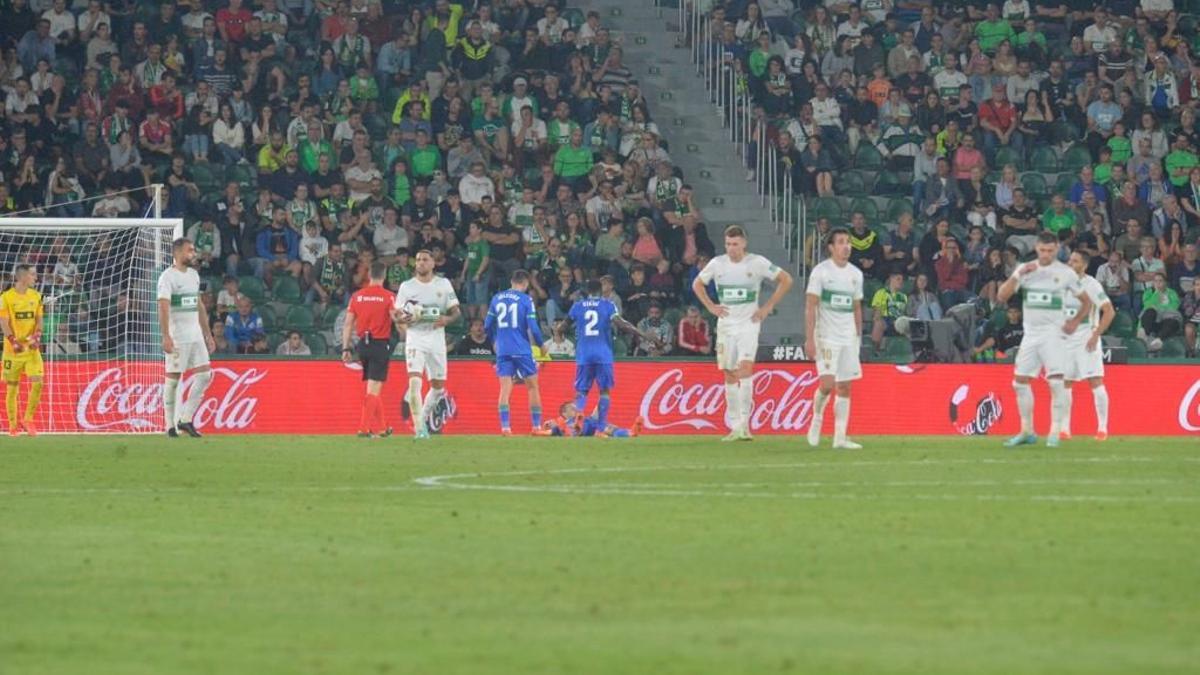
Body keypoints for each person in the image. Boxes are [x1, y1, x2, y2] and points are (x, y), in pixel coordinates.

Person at [692, 225, 794, 442]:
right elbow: (697, 284)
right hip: (726, 325)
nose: (731, 248)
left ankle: (746, 426)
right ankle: (735, 426)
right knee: (729, 372)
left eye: (735, 244)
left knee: (745, 369)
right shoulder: (717, 264)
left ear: (744, 243)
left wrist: (767, 307)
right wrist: (711, 307)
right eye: (728, 244)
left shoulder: (756, 262)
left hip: (749, 324)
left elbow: (786, 279)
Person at [996, 231, 1092, 448]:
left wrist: (1075, 321)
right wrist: (1017, 276)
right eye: (1042, 250)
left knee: (1055, 381)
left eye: (1050, 250)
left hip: (1053, 333)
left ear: (1057, 249)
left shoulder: (1066, 273)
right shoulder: (1026, 269)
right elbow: (1002, 296)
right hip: (1030, 334)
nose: (1046, 254)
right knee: (1019, 382)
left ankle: (1055, 431)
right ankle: (1026, 431)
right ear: (1037, 248)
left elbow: (1086, 302)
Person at [564, 279, 659, 432]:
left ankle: (578, 417)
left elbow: (563, 326)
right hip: (603, 354)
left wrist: (571, 331)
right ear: (600, 291)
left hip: (584, 354)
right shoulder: (608, 305)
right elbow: (621, 324)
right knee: (604, 390)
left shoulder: (577, 306)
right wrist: (643, 334)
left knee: (582, 390)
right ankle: (601, 426)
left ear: (587, 291)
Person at [804, 228, 865, 450]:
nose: (846, 246)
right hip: (826, 336)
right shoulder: (821, 272)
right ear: (831, 247)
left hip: (848, 336)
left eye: (848, 242)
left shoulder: (856, 274)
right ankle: (817, 418)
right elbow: (810, 306)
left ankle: (840, 437)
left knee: (845, 387)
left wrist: (858, 336)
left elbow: (857, 307)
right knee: (827, 384)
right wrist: (809, 339)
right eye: (841, 242)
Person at [395, 249, 461, 438]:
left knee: (438, 387)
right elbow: (398, 314)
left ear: (434, 263)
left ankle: (422, 418)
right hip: (415, 337)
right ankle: (419, 427)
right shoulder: (406, 287)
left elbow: (456, 312)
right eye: (417, 260)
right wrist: (404, 321)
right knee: (415, 382)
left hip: (436, 338)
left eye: (425, 260)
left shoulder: (443, 284)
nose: (421, 263)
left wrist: (447, 320)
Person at [156, 239, 216, 439]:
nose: (194, 254)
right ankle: (169, 425)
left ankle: (186, 419)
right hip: (178, 336)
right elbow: (163, 307)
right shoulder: (167, 277)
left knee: (206, 375)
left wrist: (207, 334)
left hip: (196, 335)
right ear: (178, 253)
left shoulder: (193, 275)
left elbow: (198, 305)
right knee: (173, 380)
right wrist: (165, 336)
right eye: (190, 251)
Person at [1061, 250, 1116, 441]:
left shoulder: (1091, 285)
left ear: (1083, 265)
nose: (1070, 263)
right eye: (1069, 260)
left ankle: (1102, 428)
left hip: (1086, 339)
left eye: (1074, 261)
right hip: (1066, 340)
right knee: (1065, 382)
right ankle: (1064, 429)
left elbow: (1109, 311)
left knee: (1095, 381)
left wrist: (1096, 334)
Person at [485, 269, 546, 435]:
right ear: (525, 284)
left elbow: (487, 325)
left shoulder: (497, 298)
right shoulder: (526, 299)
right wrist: (541, 345)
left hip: (503, 350)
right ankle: (536, 427)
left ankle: (505, 427)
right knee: (532, 387)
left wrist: (494, 341)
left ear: (511, 282)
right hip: (522, 349)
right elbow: (533, 327)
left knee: (505, 388)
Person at [341, 261, 397, 439]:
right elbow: (395, 317)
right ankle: (363, 429)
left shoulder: (357, 296)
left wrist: (345, 348)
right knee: (374, 389)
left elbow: (348, 324)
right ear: (384, 275)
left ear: (369, 275)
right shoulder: (388, 296)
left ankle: (383, 428)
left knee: (372, 388)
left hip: (362, 346)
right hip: (380, 344)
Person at [0, 264, 46, 436]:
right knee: (12, 388)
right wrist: (13, 341)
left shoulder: (36, 296)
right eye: (33, 275)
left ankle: (28, 419)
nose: (36, 278)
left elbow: (39, 319)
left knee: (38, 381)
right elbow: (3, 322)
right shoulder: (6, 298)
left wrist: (37, 336)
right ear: (23, 277)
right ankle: (13, 426)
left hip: (31, 350)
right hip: (13, 351)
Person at [533, 400, 643, 439]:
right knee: (605, 429)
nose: (575, 409)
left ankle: (631, 432)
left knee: (606, 423)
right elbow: (550, 429)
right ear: (564, 413)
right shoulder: (560, 422)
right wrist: (540, 431)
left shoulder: (580, 417)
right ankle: (600, 433)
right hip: (582, 429)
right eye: (572, 408)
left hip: (590, 422)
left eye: (575, 408)